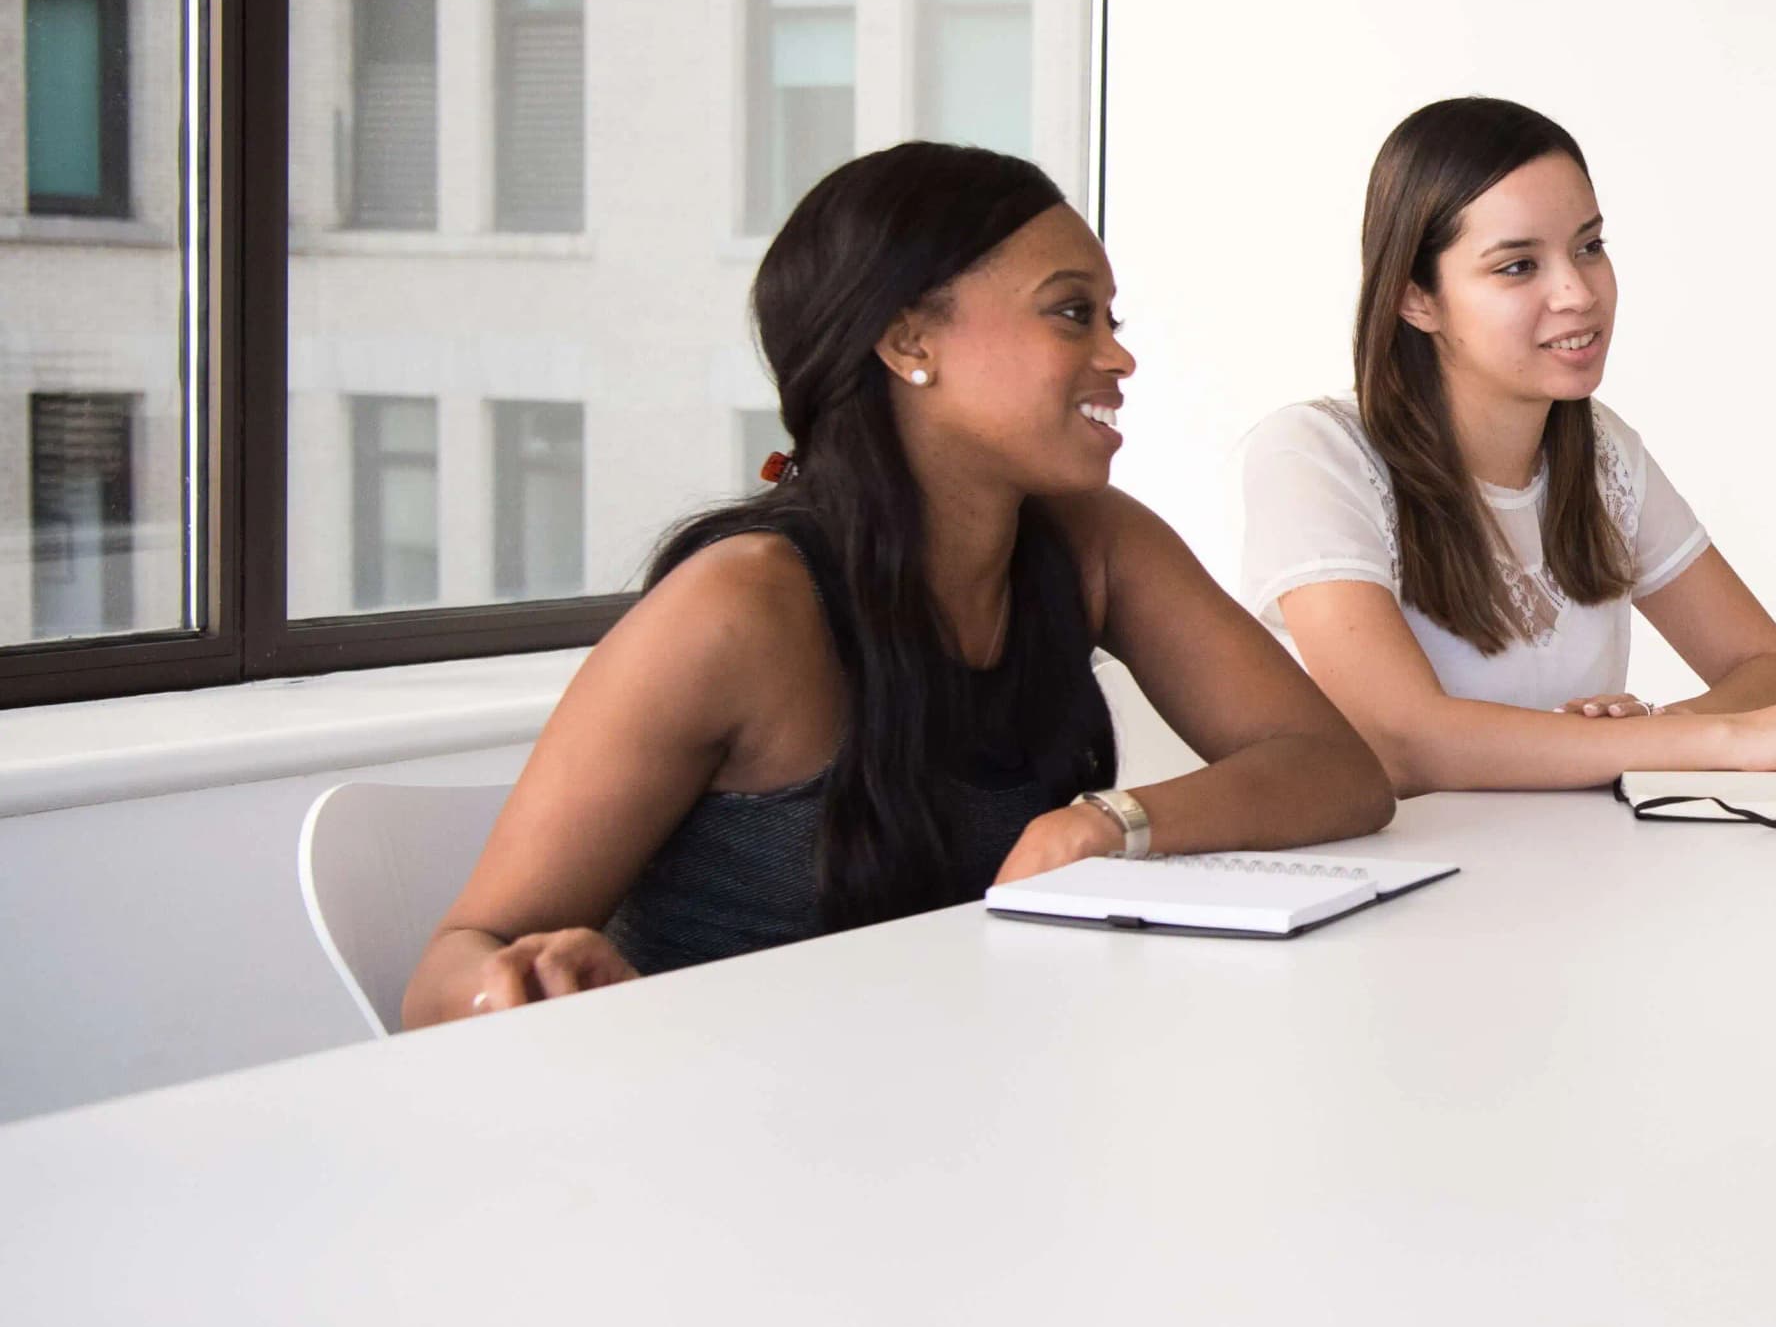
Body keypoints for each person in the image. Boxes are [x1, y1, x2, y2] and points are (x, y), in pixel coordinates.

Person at [408, 144, 1392, 1025]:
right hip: (725, 1144)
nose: (1117, 354)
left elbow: (1335, 771)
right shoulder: (740, 609)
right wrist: (521, 987)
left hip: (961, 1102)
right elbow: (447, 975)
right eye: (1069, 312)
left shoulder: (1094, 543)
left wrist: (1106, 823)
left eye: (1109, 317)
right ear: (909, 341)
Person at [1238, 96, 1776, 793]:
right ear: (1416, 299)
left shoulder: (1603, 450)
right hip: (1403, 889)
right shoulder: (1312, 454)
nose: (1578, 292)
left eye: (1589, 246)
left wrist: (1648, 730)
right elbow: (1405, 742)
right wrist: (1688, 739)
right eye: (1518, 266)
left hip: (1581, 879)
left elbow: (1768, 668)